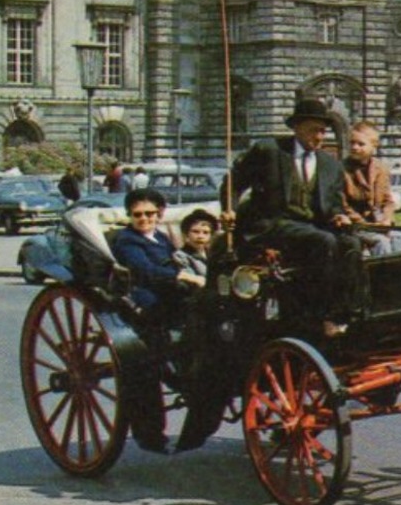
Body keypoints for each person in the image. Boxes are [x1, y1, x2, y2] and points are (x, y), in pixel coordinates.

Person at [221, 96, 366, 337]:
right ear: (296, 127)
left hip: (311, 227)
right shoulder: (269, 151)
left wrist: (339, 216)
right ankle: (320, 315)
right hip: (272, 226)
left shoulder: (330, 165)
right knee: (324, 241)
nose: (319, 137)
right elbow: (232, 184)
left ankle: (348, 312)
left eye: (323, 131)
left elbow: (332, 206)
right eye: (313, 130)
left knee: (351, 243)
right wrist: (229, 208)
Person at [110, 189, 206, 453]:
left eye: (150, 214)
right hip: (147, 301)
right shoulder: (127, 241)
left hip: (171, 294)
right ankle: (150, 433)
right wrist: (183, 278)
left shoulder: (161, 237)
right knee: (147, 367)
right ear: (130, 215)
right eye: (138, 214)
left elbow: (177, 261)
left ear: (159, 214)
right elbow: (146, 271)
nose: (144, 219)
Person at [340, 121, 398, 253]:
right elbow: (342, 205)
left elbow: (388, 201)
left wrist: (387, 219)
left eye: (361, 144)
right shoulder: (341, 169)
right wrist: (367, 225)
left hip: (379, 224)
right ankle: (382, 273)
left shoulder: (381, 168)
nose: (355, 147)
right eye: (352, 143)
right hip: (355, 226)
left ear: (374, 145)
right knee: (380, 242)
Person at [174, 209, 216, 280]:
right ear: (187, 234)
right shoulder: (181, 256)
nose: (200, 236)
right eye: (195, 232)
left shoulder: (212, 254)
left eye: (205, 232)